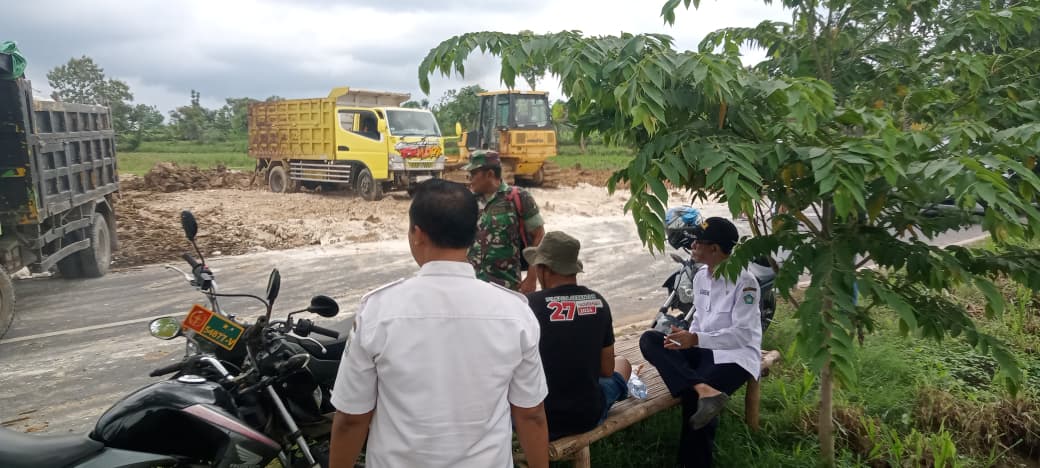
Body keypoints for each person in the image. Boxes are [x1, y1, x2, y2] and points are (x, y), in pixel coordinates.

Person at [328, 179, 549, 468]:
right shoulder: (515, 314)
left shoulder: (377, 312)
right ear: (474, 235)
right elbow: (530, 414)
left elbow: (351, 420)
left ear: (418, 234)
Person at [639, 217, 763, 468]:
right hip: (703, 349)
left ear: (715, 249)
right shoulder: (700, 278)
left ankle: (692, 460)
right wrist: (684, 337)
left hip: (734, 355)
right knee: (650, 339)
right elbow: (699, 320)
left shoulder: (745, 282)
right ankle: (703, 389)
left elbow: (742, 335)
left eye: (698, 242)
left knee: (692, 400)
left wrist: (695, 339)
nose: (692, 246)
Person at [522, 231, 632, 440]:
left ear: (544, 269)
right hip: (587, 415)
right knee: (623, 364)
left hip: (538, 416)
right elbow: (607, 370)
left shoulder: (528, 305)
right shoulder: (599, 303)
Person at [465, 150, 545, 293]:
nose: (469, 179)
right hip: (473, 285)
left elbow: (539, 236)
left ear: (489, 174)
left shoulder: (518, 197)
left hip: (508, 286)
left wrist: (532, 278)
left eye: (473, 174)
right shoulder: (468, 201)